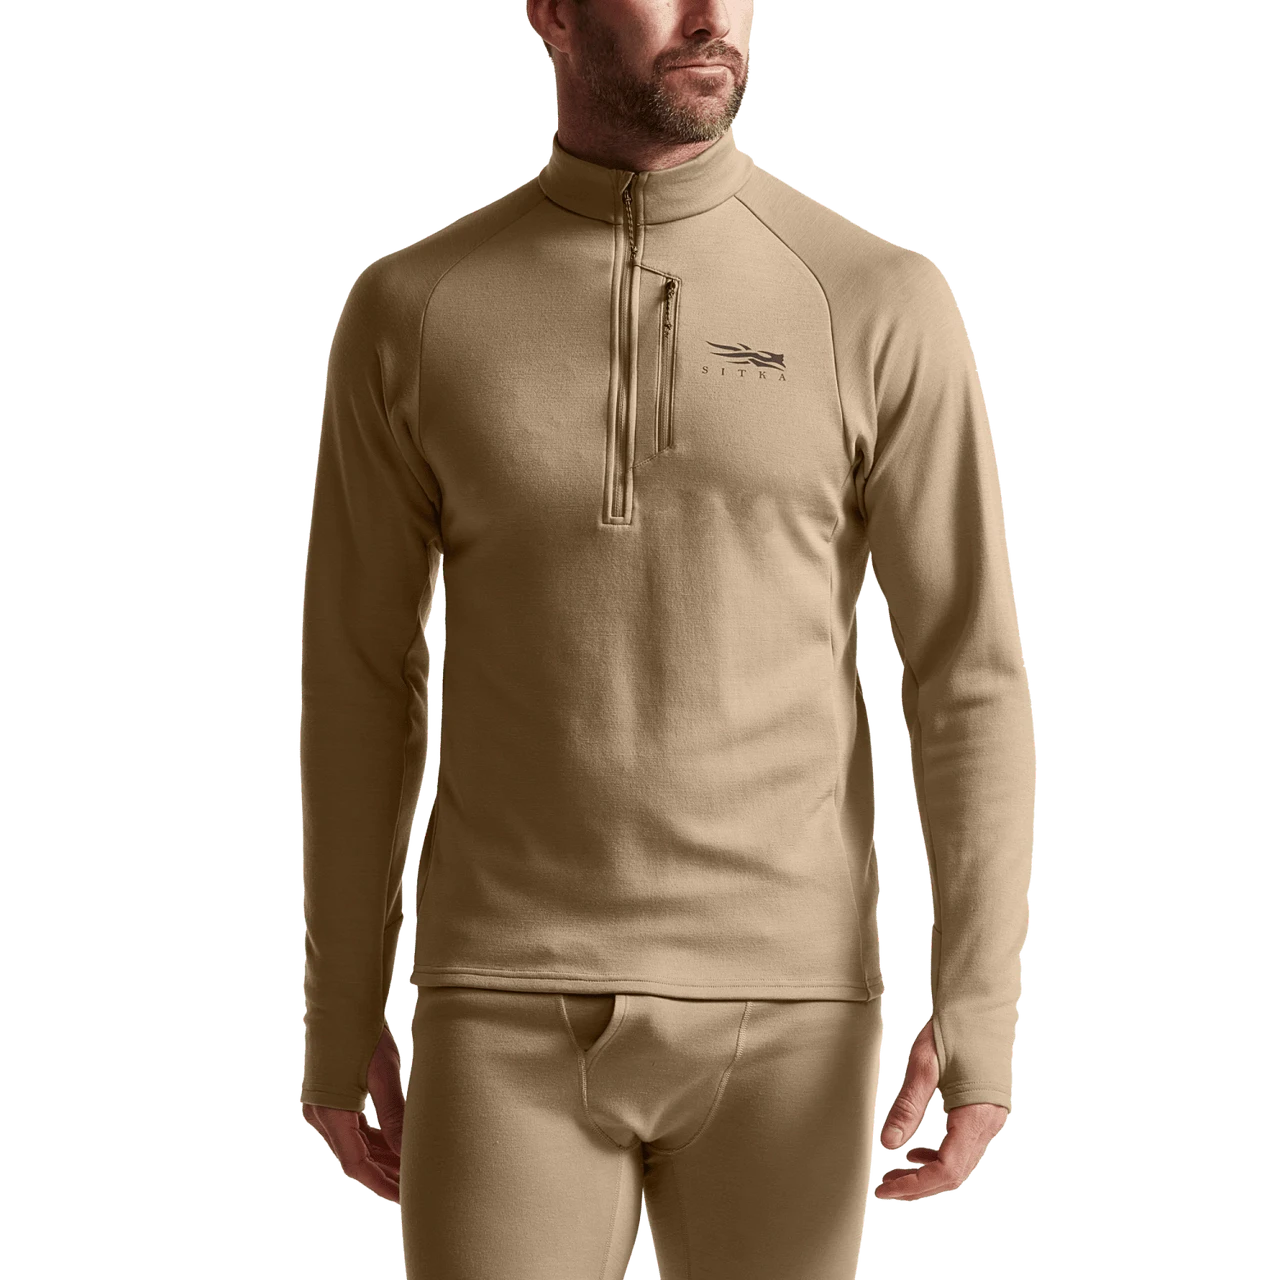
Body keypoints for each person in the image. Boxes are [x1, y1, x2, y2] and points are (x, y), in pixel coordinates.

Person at [298, 1, 1036, 1275]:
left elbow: (966, 670)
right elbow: (360, 674)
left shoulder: (874, 295)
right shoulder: (413, 304)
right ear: (549, 10)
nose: (710, 19)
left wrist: (976, 1016)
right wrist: (339, 999)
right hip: (502, 996)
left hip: (792, 1007)